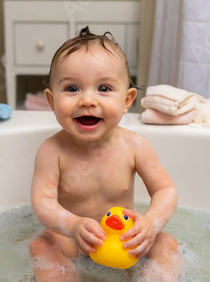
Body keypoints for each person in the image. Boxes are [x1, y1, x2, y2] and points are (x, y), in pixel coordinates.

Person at [29, 26, 183, 281]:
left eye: (103, 88)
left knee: (166, 244)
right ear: (51, 101)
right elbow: (42, 202)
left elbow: (166, 190)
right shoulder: (52, 150)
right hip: (73, 240)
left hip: (125, 240)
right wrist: (72, 225)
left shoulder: (135, 146)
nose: (87, 100)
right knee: (42, 245)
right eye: (71, 88)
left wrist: (150, 224)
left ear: (126, 100)